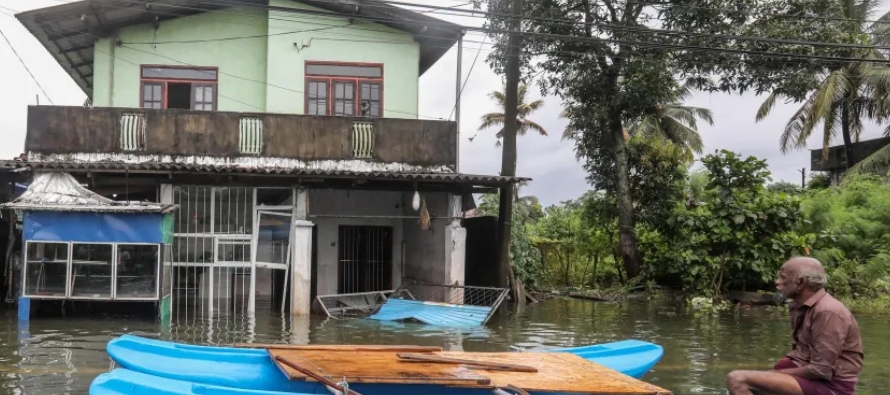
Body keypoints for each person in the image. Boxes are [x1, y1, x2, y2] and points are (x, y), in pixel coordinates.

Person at [725, 257, 863, 395]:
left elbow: (821, 369)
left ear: (800, 282)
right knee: (771, 372)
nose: (777, 282)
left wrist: (776, 374)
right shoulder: (801, 306)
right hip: (814, 377)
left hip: (831, 386)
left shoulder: (827, 311)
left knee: (737, 379)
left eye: (782, 277)